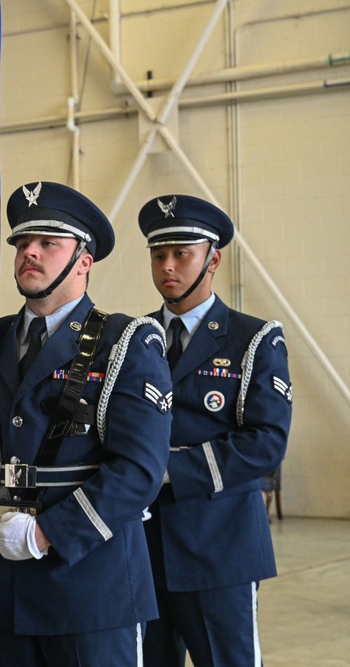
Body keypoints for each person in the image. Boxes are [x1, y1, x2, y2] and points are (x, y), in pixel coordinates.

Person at [0, 181, 173, 666]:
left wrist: (49, 533)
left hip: (87, 585)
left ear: (84, 260)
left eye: (48, 243)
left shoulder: (125, 342)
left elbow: (138, 470)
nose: (29, 253)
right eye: (21, 243)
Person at [138, 194, 292, 666]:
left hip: (219, 546)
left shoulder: (254, 338)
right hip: (141, 547)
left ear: (212, 259)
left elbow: (267, 441)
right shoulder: (132, 336)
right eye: (159, 255)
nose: (168, 266)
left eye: (181, 253)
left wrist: (168, 468)